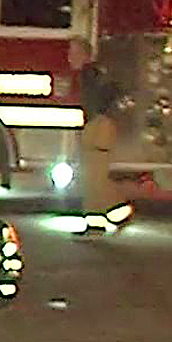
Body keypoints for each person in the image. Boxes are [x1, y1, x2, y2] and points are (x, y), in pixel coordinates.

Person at [69, 60, 133, 236]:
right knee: (92, 187)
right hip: (96, 143)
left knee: (98, 185)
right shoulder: (100, 93)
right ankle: (95, 224)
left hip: (98, 142)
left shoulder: (98, 95)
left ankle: (120, 213)